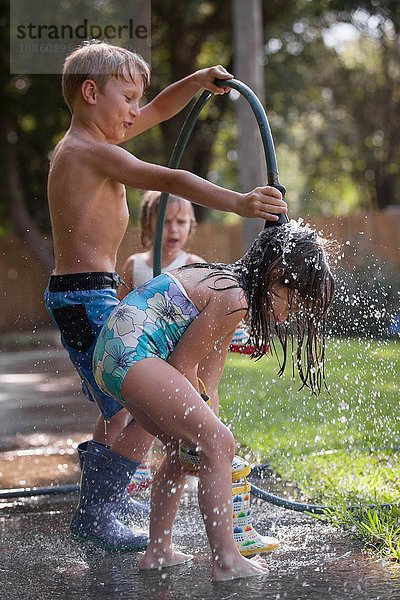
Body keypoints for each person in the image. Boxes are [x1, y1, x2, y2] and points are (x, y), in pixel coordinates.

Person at [44, 40, 288, 552]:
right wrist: (239, 203)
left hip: (93, 293)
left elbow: (157, 110)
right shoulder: (88, 152)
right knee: (130, 406)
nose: (137, 111)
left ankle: (106, 501)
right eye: (127, 98)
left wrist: (197, 82)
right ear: (91, 93)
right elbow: (169, 177)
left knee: (138, 405)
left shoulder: (96, 139)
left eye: (139, 100)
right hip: (84, 298)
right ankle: (99, 511)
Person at [92, 222, 335, 581]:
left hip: (114, 354)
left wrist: (208, 431)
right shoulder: (234, 297)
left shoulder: (229, 292)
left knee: (183, 449)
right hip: (131, 352)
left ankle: (158, 551)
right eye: (294, 303)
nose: (290, 316)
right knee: (217, 442)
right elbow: (183, 365)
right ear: (276, 275)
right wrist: (216, 441)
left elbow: (209, 380)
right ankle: (226, 559)